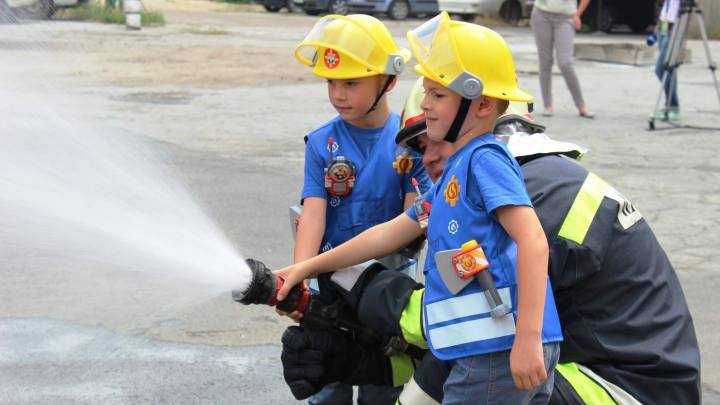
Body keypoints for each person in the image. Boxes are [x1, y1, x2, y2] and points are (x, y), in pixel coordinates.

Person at [280, 78, 701, 405]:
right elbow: (467, 340)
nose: (424, 161)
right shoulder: (493, 181)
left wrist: (372, 291)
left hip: (625, 391)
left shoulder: (533, 191)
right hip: (575, 365)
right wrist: (359, 358)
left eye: (430, 141)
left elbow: (468, 324)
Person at [277, 13, 563, 404]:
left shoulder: (485, 159)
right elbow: (389, 233)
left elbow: (533, 241)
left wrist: (528, 339)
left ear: (482, 105)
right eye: (426, 91)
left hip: (499, 350)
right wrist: (305, 268)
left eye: (438, 94)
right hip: (482, 348)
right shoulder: (455, 173)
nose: (424, 103)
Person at [288, 14, 431, 405]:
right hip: (329, 285)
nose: (338, 94)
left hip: (388, 291)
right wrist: (302, 279)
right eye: (332, 82)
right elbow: (313, 215)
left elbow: (412, 224)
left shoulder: (413, 143)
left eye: (351, 83)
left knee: (383, 382)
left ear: (389, 80)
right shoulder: (321, 144)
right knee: (326, 377)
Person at [531, 0, 595, 118]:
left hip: (566, 17)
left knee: (565, 62)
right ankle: (547, 105)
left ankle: (581, 105)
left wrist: (578, 14)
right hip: (541, 13)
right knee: (545, 61)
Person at [653, 0, 681, 120]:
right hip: (664, 25)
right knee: (668, 70)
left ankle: (673, 104)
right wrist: (659, 22)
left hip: (674, 26)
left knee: (660, 69)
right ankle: (670, 107)